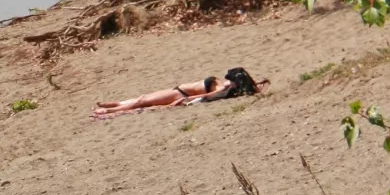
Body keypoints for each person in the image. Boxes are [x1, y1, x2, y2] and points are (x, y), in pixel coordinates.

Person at [92, 67, 269, 119]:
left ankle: (110, 111)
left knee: (143, 101)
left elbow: (203, 97)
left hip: (180, 94)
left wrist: (181, 101)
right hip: (180, 91)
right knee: (142, 99)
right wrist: (258, 84)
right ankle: (116, 104)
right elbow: (251, 86)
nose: (226, 79)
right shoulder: (227, 87)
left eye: (229, 79)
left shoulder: (222, 89)